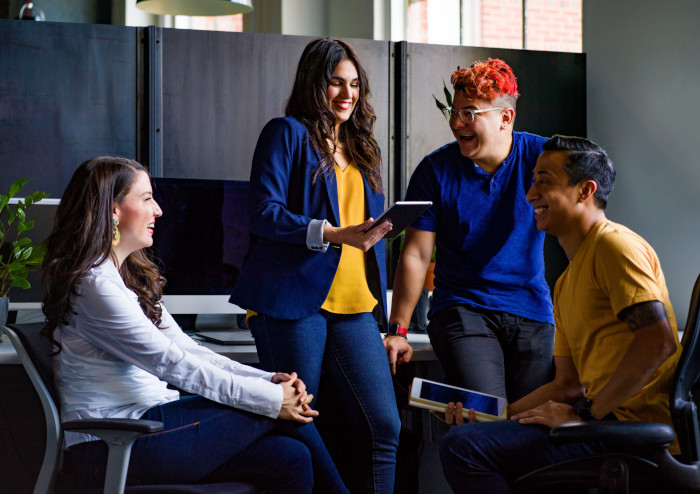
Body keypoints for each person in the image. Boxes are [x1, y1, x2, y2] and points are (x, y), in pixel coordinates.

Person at [41, 156, 348, 493]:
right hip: (112, 445)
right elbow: (171, 363)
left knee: (290, 457)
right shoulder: (94, 285)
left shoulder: (127, 277)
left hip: (153, 426)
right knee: (272, 408)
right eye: (146, 199)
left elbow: (188, 349)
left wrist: (266, 380)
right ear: (112, 210)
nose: (158, 210)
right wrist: (275, 398)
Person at [438, 135, 682, 493]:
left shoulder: (614, 245)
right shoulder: (566, 282)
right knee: (470, 437)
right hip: (602, 424)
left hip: (629, 436)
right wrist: (493, 418)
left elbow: (657, 342)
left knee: (465, 449)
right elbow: (567, 384)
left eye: (544, 182)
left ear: (585, 191)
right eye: (533, 180)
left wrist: (586, 415)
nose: (530, 194)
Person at [229, 38, 401, 494]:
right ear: (314, 84)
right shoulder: (286, 133)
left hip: (355, 303)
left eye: (354, 85)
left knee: (384, 427)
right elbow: (262, 212)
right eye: (335, 83)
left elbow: (360, 231)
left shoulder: (362, 148)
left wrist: (378, 230)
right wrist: (331, 232)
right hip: (292, 301)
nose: (347, 94)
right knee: (298, 420)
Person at [385, 58, 555, 403]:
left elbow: (586, 203)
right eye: (455, 111)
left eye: (470, 113)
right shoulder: (435, 171)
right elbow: (416, 255)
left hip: (531, 310)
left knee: (530, 424)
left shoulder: (543, 157)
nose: (456, 123)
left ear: (505, 118)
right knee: (487, 414)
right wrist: (398, 331)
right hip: (463, 309)